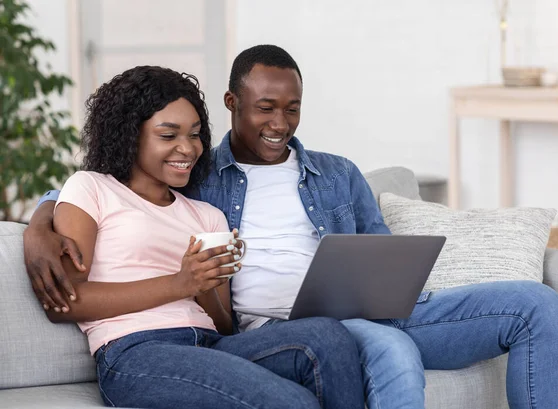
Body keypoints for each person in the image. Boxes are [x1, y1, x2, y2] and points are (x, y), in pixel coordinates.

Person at [25, 46, 558, 409]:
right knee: (346, 367)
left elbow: (219, 318)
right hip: (171, 345)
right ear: (233, 105)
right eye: (264, 107)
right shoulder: (191, 180)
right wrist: (37, 222)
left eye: (292, 108)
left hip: (292, 327)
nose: (279, 123)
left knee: (534, 304)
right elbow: (95, 203)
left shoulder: (258, 196)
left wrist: (211, 284)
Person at [26, 65, 365, 409]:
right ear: (130, 135)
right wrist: (181, 283)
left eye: (194, 134)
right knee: (292, 402)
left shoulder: (206, 215)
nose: (187, 148)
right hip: (137, 352)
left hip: (210, 344)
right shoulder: (92, 188)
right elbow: (65, 303)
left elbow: (223, 324)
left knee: (327, 335)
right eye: (168, 135)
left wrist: (204, 285)